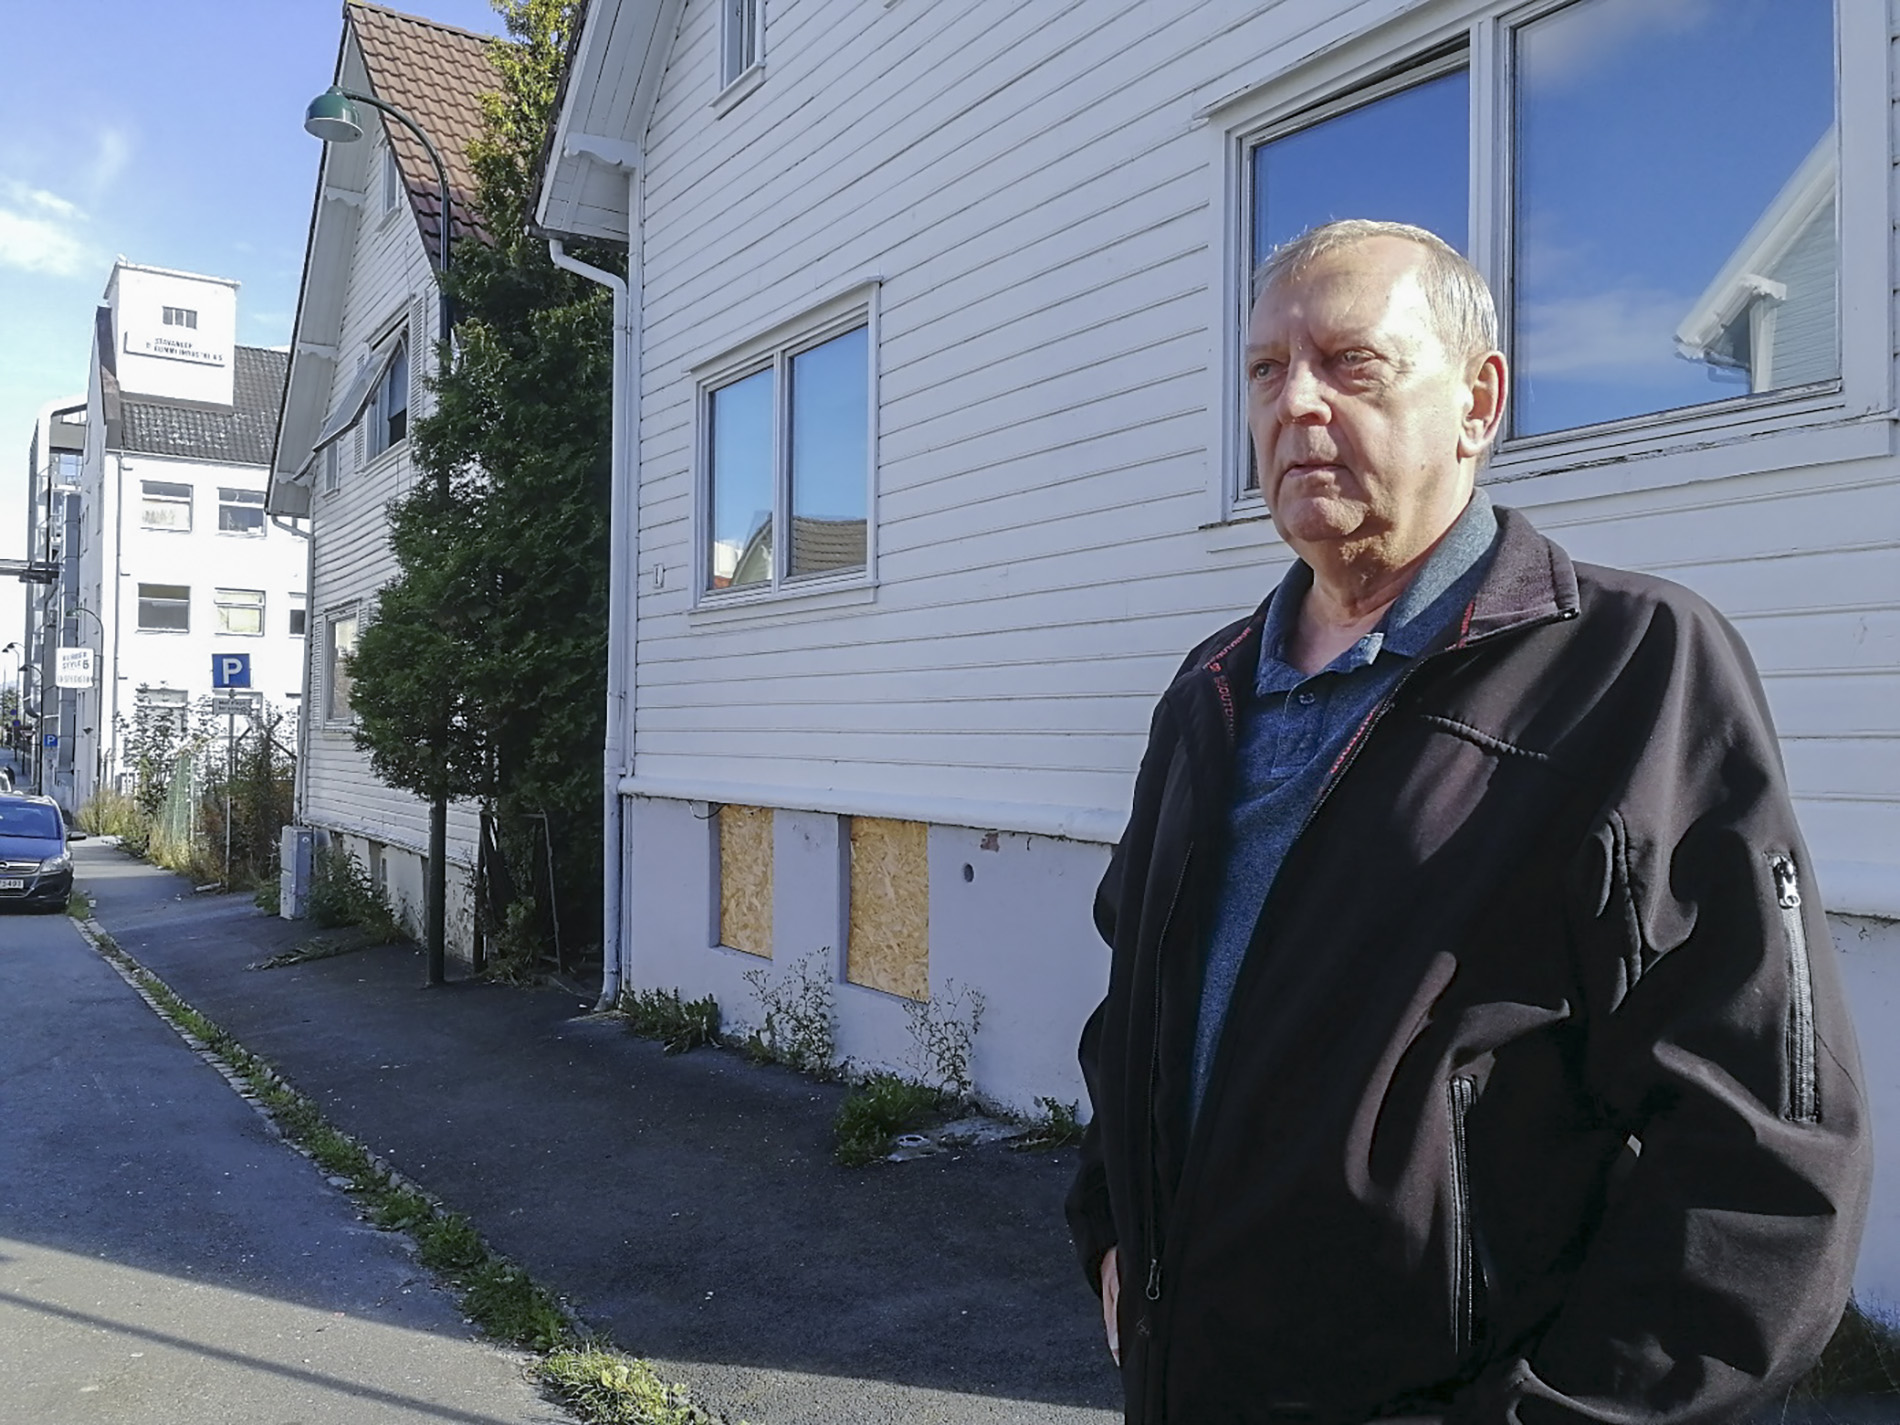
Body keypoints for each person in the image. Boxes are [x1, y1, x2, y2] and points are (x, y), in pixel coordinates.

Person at [1066, 219, 1870, 1425]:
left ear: (1477, 402)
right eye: (1265, 370)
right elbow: (1135, 1013)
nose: (1297, 405)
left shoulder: (1626, 669)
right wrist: (1110, 1236)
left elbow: (1764, 1148)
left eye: (1351, 364)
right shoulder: (1210, 691)